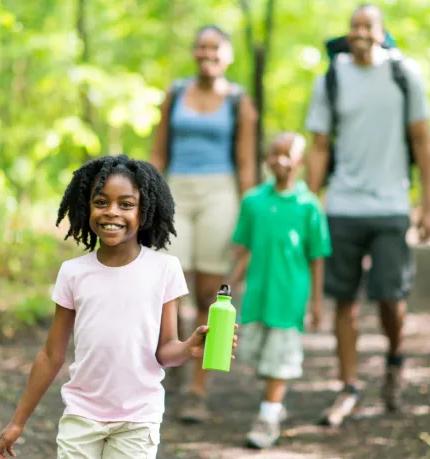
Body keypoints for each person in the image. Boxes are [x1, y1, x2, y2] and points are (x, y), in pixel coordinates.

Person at [0, 155, 238, 459]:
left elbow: (164, 351)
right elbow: (51, 354)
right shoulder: (73, 272)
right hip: (81, 415)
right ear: (86, 206)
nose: (112, 212)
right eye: (101, 202)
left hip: (138, 418)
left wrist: (189, 348)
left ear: (144, 210)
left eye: (126, 204)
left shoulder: (164, 269)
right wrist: (18, 422)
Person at [305, 3, 430, 427]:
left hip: (392, 205)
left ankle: (395, 361)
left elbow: (422, 140)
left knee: (390, 298)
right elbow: (321, 145)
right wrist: (310, 202)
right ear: (348, 32)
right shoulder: (331, 78)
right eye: (354, 26)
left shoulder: (405, 75)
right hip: (343, 205)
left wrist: (428, 203)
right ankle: (349, 386)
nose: (360, 32)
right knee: (344, 299)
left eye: (368, 26)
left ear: (382, 32)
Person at [150, 24, 257, 423]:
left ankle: (199, 386)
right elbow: (158, 154)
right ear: (194, 53)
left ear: (227, 55)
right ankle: (169, 360)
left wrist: (249, 220)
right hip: (175, 189)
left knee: (211, 291)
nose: (207, 53)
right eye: (201, 47)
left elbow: (246, 163)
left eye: (215, 47)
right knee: (168, 286)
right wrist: (144, 198)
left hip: (220, 193)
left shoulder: (238, 101)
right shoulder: (175, 94)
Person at [226, 132, 331, 449]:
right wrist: (229, 288)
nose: (280, 160)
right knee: (258, 358)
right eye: (274, 153)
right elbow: (244, 251)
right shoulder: (253, 201)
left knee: (279, 359)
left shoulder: (308, 206)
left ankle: (268, 417)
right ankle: (274, 404)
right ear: (266, 159)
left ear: (300, 162)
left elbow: (316, 259)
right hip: (257, 296)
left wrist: (316, 304)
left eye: (288, 154)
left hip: (289, 298)